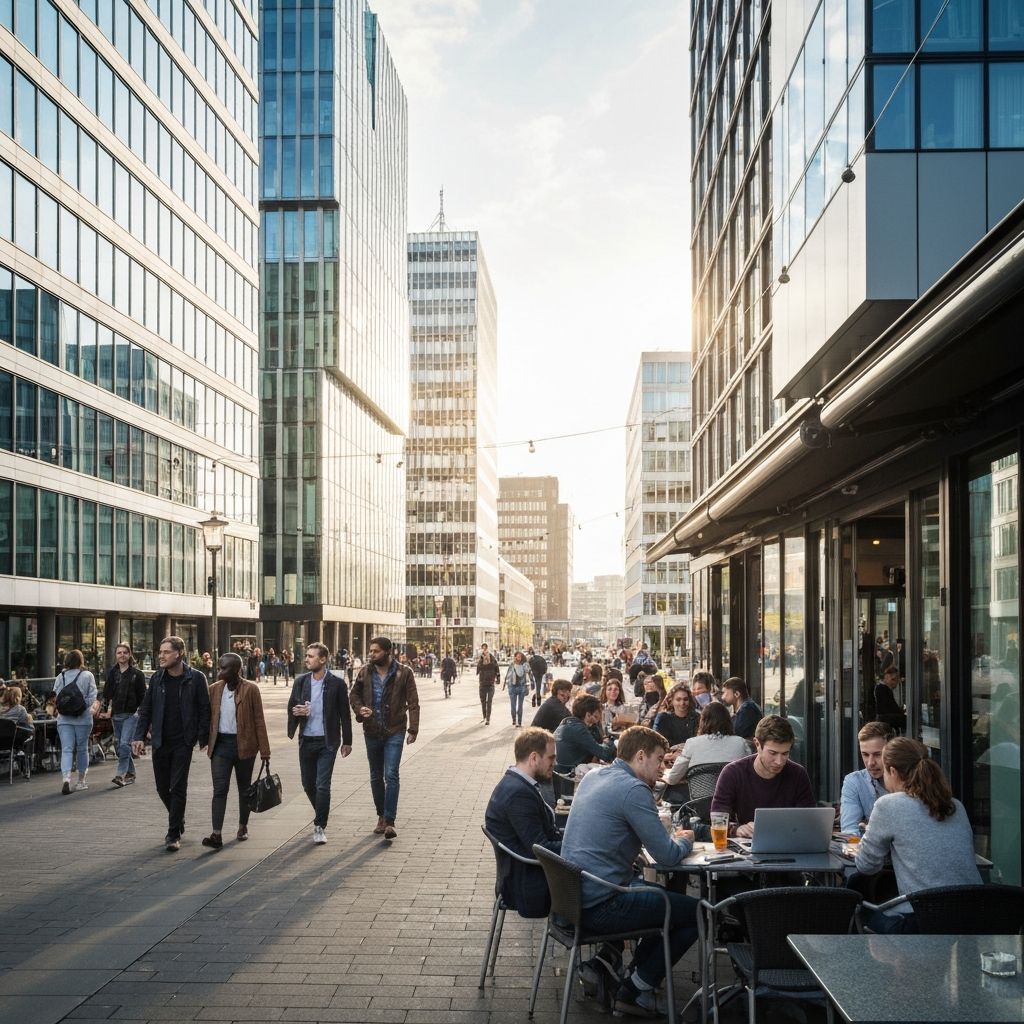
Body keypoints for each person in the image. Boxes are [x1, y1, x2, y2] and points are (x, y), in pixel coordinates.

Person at [560, 726, 699, 1017]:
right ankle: (635, 989)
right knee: (698, 913)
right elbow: (668, 856)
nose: (662, 767)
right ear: (640, 756)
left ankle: (638, 975)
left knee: (665, 902)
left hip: (573, 898)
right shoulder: (634, 789)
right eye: (659, 759)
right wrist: (686, 840)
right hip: (602, 904)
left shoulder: (594, 775)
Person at [855, 737, 982, 933]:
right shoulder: (956, 805)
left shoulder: (889, 804)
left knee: (858, 909)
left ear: (893, 772)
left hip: (922, 919)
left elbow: (866, 866)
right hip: (975, 914)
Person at [132, 637, 212, 851]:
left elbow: (205, 709)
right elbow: (146, 709)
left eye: (166, 652)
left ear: (179, 654)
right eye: (160, 651)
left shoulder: (196, 678)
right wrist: (139, 736)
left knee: (178, 787)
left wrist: (202, 737)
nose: (161, 655)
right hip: (160, 741)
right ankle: (178, 818)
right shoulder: (157, 679)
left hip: (183, 741)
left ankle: (173, 833)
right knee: (161, 787)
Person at [483, 727, 562, 917]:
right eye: (551, 758)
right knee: (606, 891)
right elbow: (540, 848)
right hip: (532, 887)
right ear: (534, 758)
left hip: (528, 877)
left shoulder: (516, 784)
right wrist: (580, 845)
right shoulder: (518, 794)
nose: (555, 763)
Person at [350, 636, 419, 841]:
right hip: (371, 730)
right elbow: (354, 695)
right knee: (375, 775)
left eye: (376, 651)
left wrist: (413, 729)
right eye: (370, 651)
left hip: (395, 730)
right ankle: (381, 815)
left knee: (391, 774)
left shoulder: (404, 673)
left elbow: (413, 702)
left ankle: (390, 821)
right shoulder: (365, 671)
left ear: (388, 652)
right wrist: (359, 708)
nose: (371, 654)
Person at [202, 652, 271, 850]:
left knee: (244, 789)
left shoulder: (251, 689)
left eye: (224, 668)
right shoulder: (214, 689)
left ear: (236, 670)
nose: (220, 671)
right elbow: (206, 716)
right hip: (221, 746)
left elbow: (259, 720)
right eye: (219, 667)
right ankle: (216, 834)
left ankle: (243, 826)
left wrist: (265, 751)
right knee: (220, 789)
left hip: (245, 746)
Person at [287, 642, 353, 845]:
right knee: (308, 784)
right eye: (306, 656)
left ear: (322, 659)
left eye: (311, 656)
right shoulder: (301, 682)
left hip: (328, 742)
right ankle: (321, 811)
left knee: (322, 785)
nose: (306, 659)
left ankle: (319, 825)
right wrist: (296, 712)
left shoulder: (337, 684)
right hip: (306, 740)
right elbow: (291, 706)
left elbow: (345, 714)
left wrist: (348, 741)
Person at [710, 715, 814, 837]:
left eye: (785, 753)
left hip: (789, 842)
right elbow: (717, 820)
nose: (779, 761)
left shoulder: (798, 774)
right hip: (748, 845)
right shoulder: (732, 773)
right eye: (773, 753)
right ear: (757, 744)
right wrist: (736, 830)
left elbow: (809, 821)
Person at [661, 700, 749, 788]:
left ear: (703, 721)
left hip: (701, 800)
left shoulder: (692, 744)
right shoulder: (741, 743)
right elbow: (751, 774)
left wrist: (664, 771)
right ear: (728, 721)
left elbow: (672, 779)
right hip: (734, 800)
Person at [100, 643, 147, 787]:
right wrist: (103, 707)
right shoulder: (112, 673)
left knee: (124, 744)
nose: (122, 655)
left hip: (131, 715)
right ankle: (131, 773)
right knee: (121, 746)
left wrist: (140, 711)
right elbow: (107, 693)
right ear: (116, 655)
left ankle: (120, 775)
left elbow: (143, 696)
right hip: (116, 715)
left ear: (129, 654)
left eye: (125, 652)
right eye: (119, 652)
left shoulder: (137, 674)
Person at [54, 649, 100, 795]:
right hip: (83, 718)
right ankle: (81, 781)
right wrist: (81, 707)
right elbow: (93, 696)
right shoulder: (87, 675)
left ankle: (66, 779)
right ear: (81, 661)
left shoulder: (60, 677)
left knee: (67, 749)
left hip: (64, 719)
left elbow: (57, 697)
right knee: (82, 749)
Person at [840, 722, 893, 833]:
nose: (870, 763)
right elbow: (850, 831)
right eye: (865, 754)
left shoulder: (907, 780)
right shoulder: (854, 782)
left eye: (878, 754)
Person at [553, 695, 616, 776]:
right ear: (588, 715)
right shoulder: (579, 729)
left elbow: (598, 740)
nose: (599, 718)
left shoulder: (568, 722)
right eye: (597, 715)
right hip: (568, 776)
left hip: (560, 773)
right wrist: (610, 741)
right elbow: (605, 754)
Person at [652, 683, 700, 749]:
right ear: (672, 701)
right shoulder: (663, 718)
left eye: (685, 699)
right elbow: (656, 741)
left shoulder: (697, 717)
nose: (682, 703)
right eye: (678, 699)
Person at [0, 685, 34, 775]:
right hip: (13, 741)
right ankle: (25, 761)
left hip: (1, 741)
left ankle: (20, 753)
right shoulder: (20, 709)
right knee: (30, 733)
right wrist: (29, 717)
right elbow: (26, 725)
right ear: (17, 697)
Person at [721, 676, 762, 741]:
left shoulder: (747, 709)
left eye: (724, 693)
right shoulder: (747, 707)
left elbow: (735, 734)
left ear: (737, 694)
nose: (722, 697)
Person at [874, 666, 906, 733]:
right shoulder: (882, 688)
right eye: (893, 679)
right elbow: (890, 707)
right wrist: (901, 712)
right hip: (884, 720)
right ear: (887, 677)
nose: (896, 683)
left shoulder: (883, 688)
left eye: (897, 680)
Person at [503, 651, 531, 727]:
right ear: (514, 657)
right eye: (517, 656)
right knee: (513, 705)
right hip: (512, 687)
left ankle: (519, 721)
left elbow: (528, 671)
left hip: (521, 687)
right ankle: (514, 719)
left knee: (520, 705)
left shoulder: (524, 664)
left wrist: (525, 662)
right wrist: (507, 684)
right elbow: (508, 675)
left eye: (520, 656)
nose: (519, 657)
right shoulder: (511, 665)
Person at [476, 643, 500, 725]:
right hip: (482, 684)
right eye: (483, 649)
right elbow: (478, 669)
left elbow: (497, 668)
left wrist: (498, 678)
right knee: (483, 702)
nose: (484, 651)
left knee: (489, 701)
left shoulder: (493, 659)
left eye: (485, 649)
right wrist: (482, 661)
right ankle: (484, 716)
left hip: (490, 684)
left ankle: (488, 719)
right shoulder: (481, 660)